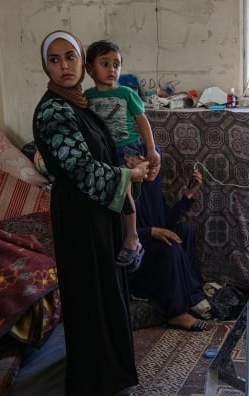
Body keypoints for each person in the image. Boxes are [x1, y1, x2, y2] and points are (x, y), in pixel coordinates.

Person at [32, 30, 149, 396]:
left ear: (82, 62)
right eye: (55, 59)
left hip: (99, 212)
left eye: (71, 57)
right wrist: (128, 176)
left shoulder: (79, 103)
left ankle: (111, 377)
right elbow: (80, 169)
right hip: (79, 217)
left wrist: (125, 165)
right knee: (89, 297)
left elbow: (104, 153)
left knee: (106, 294)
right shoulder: (53, 110)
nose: (64, 66)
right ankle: (92, 384)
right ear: (45, 66)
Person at [84, 40, 161, 270]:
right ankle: (114, 238)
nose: (112, 69)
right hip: (103, 152)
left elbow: (142, 121)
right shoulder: (86, 96)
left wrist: (150, 149)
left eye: (116, 64)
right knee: (106, 193)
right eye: (105, 64)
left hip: (127, 149)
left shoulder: (127, 93)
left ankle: (133, 236)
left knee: (124, 184)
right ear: (90, 69)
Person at [126, 157, 213, 331]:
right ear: (130, 163)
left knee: (185, 232)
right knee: (171, 248)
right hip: (135, 252)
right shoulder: (126, 189)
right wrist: (151, 232)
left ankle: (194, 296)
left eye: (154, 164)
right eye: (144, 162)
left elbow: (167, 221)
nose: (151, 168)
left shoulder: (151, 187)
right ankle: (177, 313)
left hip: (151, 243)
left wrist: (189, 193)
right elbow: (118, 234)